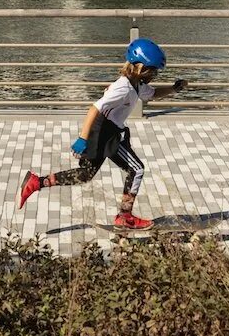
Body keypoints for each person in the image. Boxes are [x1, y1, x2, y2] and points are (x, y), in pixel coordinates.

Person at [16, 37, 187, 231]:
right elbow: (94, 109)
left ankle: (36, 183)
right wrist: (82, 138)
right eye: (153, 71)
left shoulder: (135, 84)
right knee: (137, 169)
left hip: (109, 131)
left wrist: (174, 89)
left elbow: (153, 94)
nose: (155, 75)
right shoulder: (123, 87)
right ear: (140, 67)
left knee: (85, 175)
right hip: (105, 133)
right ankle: (125, 216)